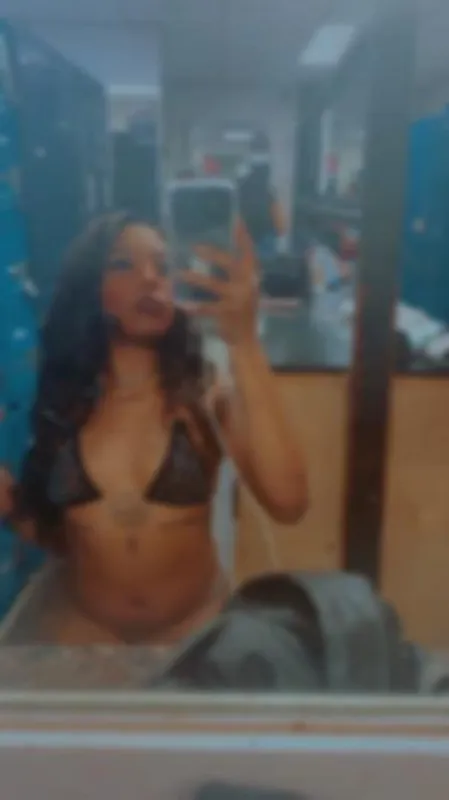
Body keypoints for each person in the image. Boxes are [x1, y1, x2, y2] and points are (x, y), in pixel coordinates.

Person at [0, 211, 308, 646]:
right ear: (89, 289)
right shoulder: (63, 402)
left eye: (162, 267)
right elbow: (65, 537)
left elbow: (289, 502)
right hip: (87, 636)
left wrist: (244, 342)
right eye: (123, 264)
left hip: (193, 635)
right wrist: (11, 507)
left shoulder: (204, 394)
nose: (150, 278)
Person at [237, 133, 287, 264]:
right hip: (265, 236)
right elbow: (280, 226)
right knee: (266, 269)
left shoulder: (242, 180)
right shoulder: (268, 183)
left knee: (246, 268)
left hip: (246, 236)